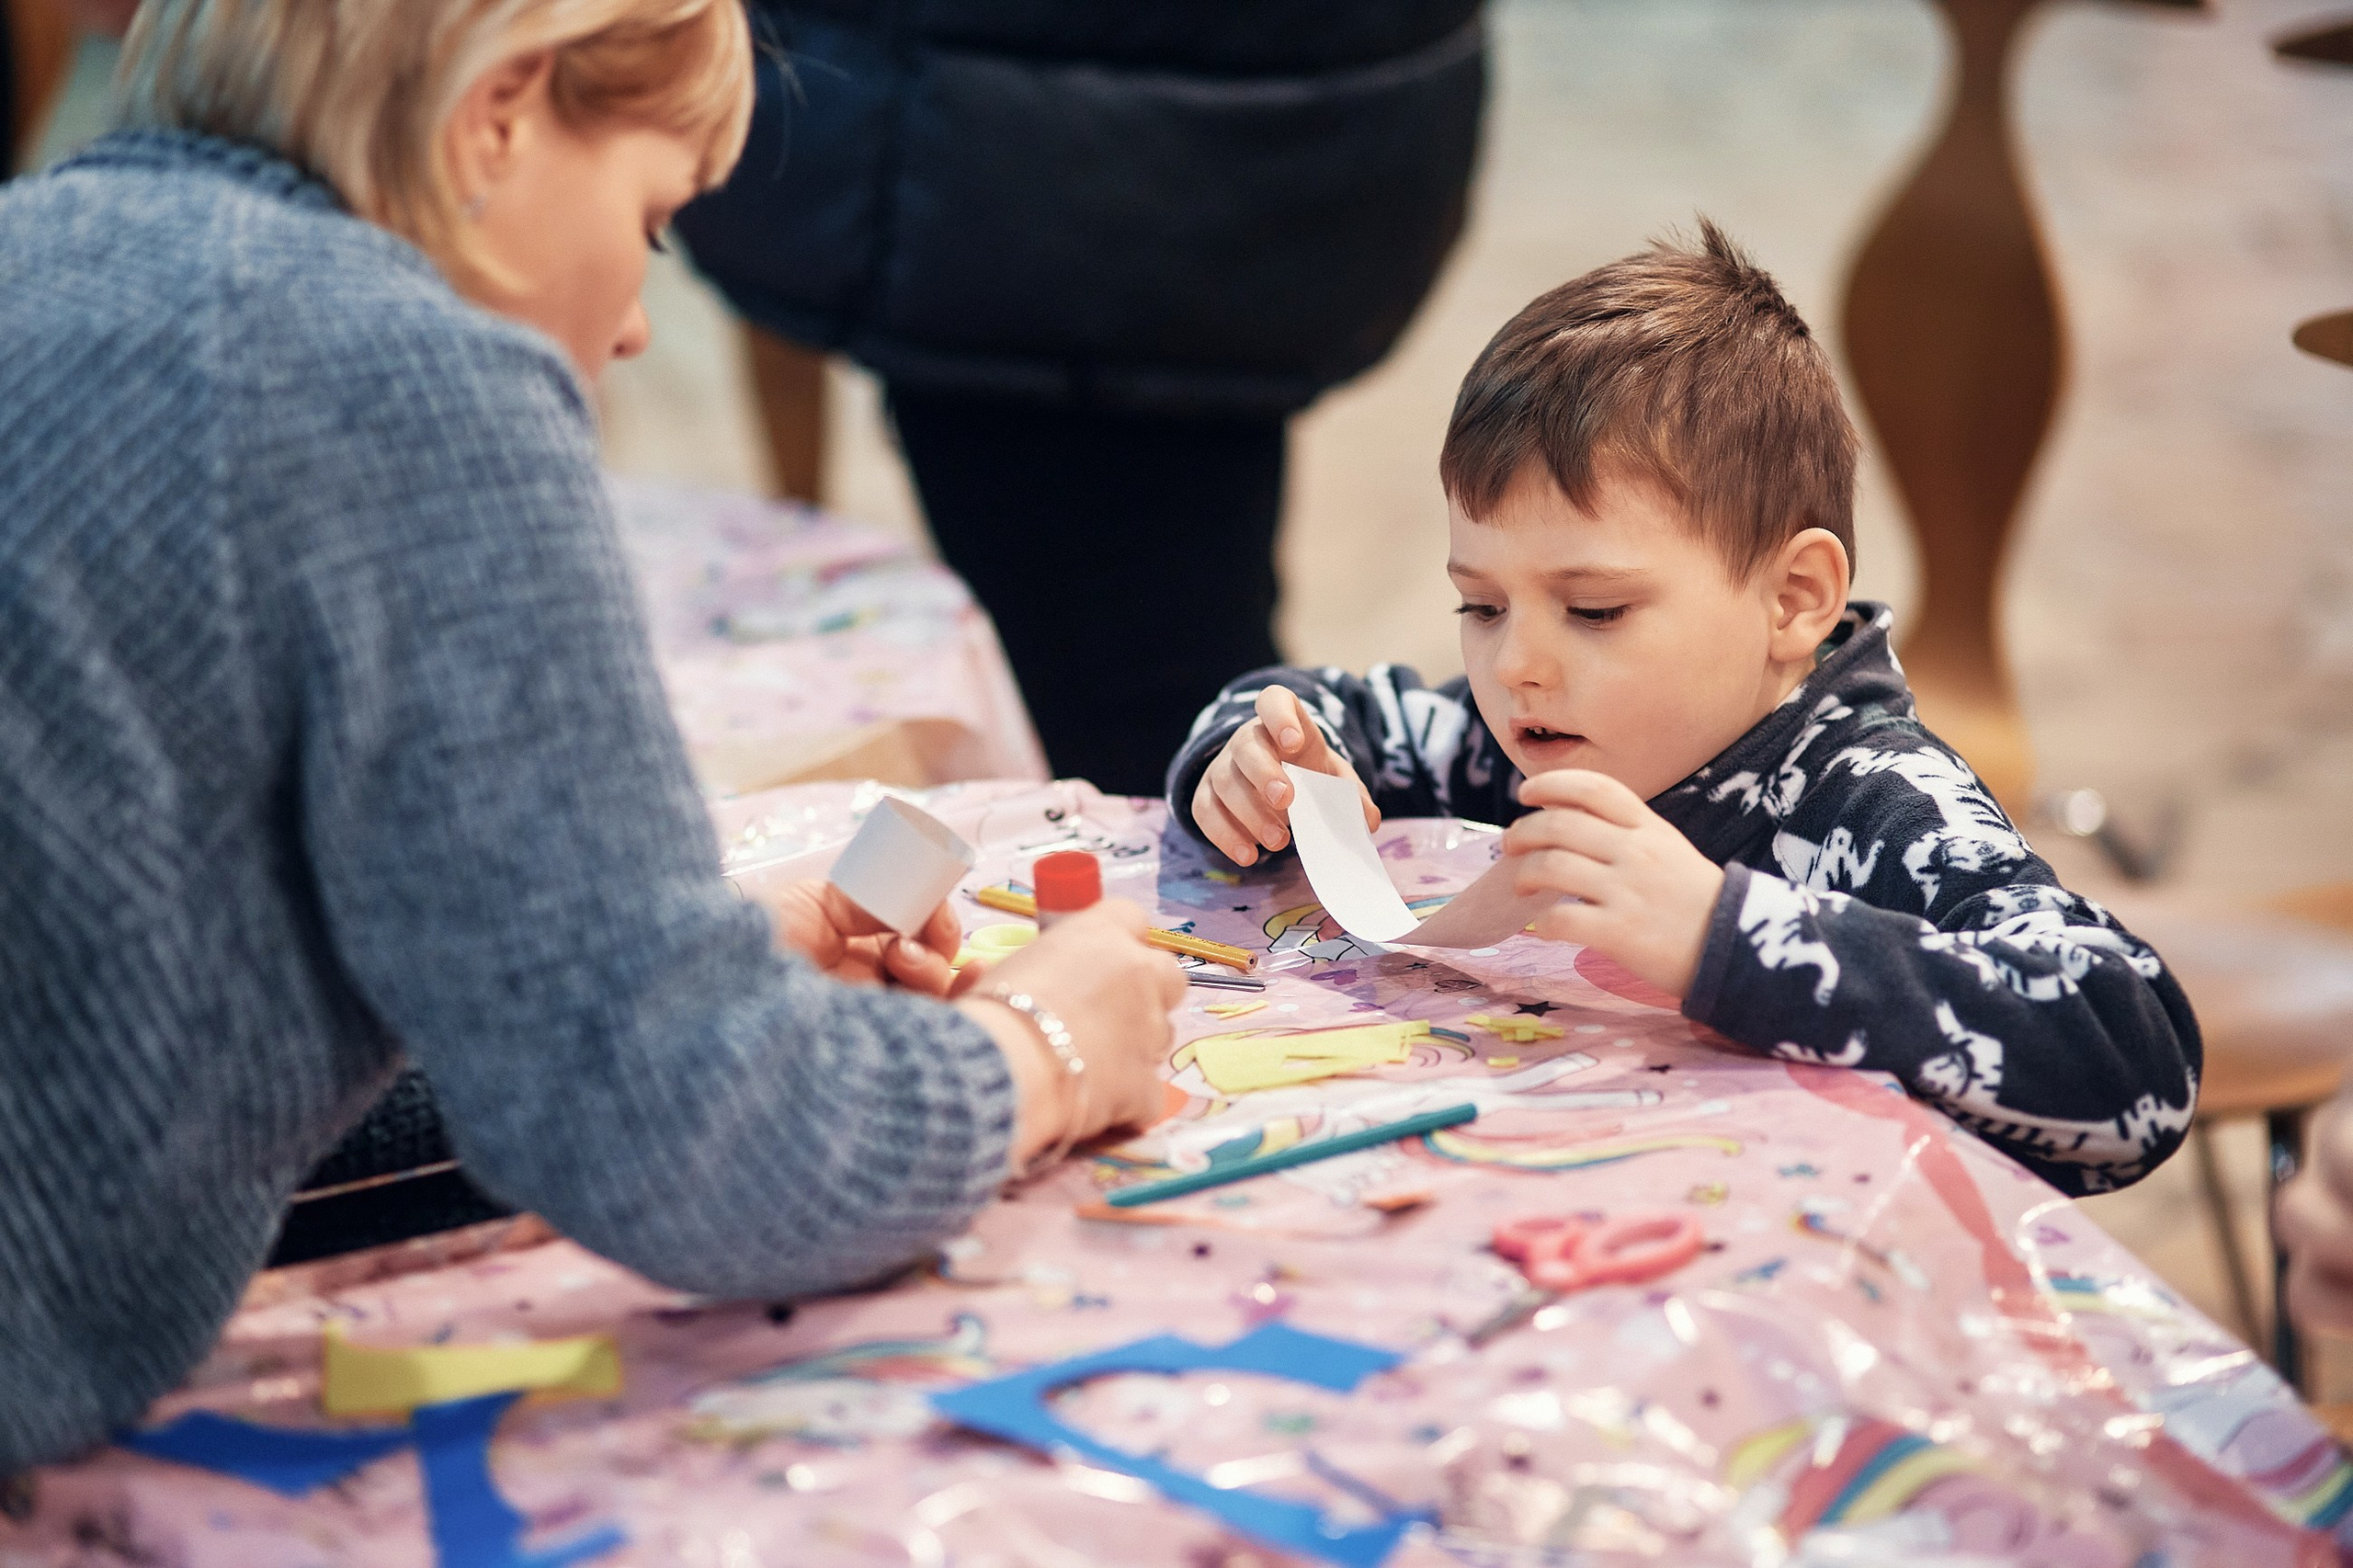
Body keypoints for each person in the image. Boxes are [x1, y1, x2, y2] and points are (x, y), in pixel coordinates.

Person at [0, 0, 1180, 1475]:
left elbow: (129, 1085)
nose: (632, 324)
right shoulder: (408, 378)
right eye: (655, 219)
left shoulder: (40, 244)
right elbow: (682, 1136)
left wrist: (635, 963)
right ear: (499, 110)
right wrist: (1047, 1046)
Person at [1167, 222, 2201, 1198]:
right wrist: (1258, 760)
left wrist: (1727, 936)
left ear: (1791, 598)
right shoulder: (1512, 742)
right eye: (1479, 604)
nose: (1516, 663)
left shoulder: (1874, 801)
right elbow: (1317, 706)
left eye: (1596, 608)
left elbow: (2132, 1059)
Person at [672, 2, 1488, 796]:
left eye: (1593, 610)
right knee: (1194, 700)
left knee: (1143, 709)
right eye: (1482, 607)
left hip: (1058, 180)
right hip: (1156, 142)